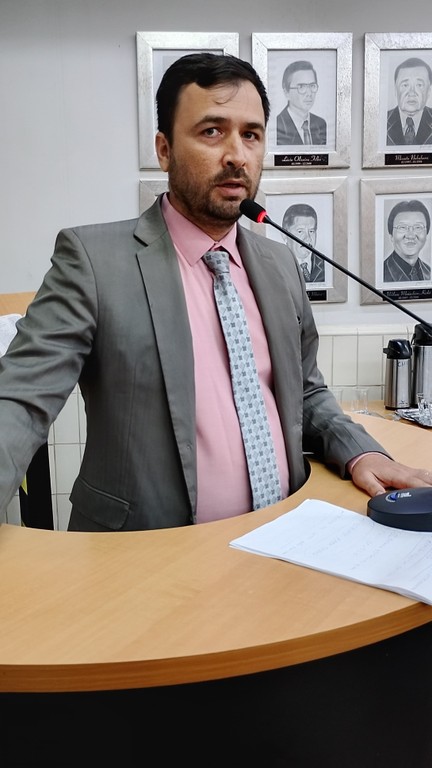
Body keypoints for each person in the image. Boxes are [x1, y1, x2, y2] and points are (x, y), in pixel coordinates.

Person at [0, 52, 431, 533]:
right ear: (164, 150)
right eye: (211, 131)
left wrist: (361, 452)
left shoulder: (280, 264)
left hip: (285, 536)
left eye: (251, 134)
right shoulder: (93, 261)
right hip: (146, 555)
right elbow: (20, 397)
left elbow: (306, 391)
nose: (237, 155)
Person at [276, 60, 327, 146]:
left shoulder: (321, 124)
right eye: (301, 87)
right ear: (286, 92)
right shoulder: (277, 125)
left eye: (312, 86)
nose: (309, 93)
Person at [387, 57, 432, 146]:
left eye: (419, 85)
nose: (412, 93)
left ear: (429, 91)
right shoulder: (382, 121)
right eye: (405, 85)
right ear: (395, 90)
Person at [383, 199, 431, 282]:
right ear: (391, 235)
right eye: (402, 227)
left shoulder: (429, 272)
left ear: (426, 234)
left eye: (418, 227)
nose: (410, 236)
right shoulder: (381, 274)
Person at [281, 203, 325, 283]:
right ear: (284, 235)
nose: (308, 238)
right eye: (300, 231)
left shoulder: (324, 263)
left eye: (311, 231)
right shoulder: (277, 265)